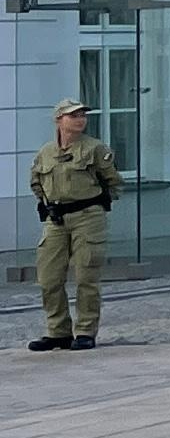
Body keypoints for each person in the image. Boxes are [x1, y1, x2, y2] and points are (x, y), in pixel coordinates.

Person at [28, 95, 116, 352]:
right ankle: (58, 332)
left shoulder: (95, 149)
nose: (80, 120)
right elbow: (36, 182)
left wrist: (97, 205)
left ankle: (86, 331)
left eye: (82, 115)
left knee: (86, 275)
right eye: (73, 115)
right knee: (49, 277)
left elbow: (113, 181)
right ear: (59, 120)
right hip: (56, 219)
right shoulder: (46, 152)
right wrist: (48, 204)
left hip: (88, 216)